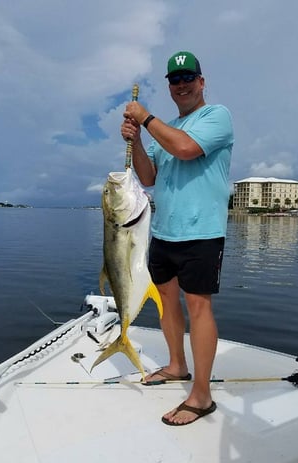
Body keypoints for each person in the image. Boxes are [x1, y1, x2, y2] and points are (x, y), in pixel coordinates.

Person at [121, 51, 234, 425]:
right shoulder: (164, 128)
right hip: (163, 232)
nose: (182, 84)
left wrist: (145, 118)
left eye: (188, 78)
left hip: (202, 231)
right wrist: (136, 140)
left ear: (201, 82)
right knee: (168, 304)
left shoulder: (216, 116)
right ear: (169, 86)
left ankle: (201, 396)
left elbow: (186, 149)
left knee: (199, 306)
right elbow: (149, 176)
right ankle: (176, 365)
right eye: (175, 79)